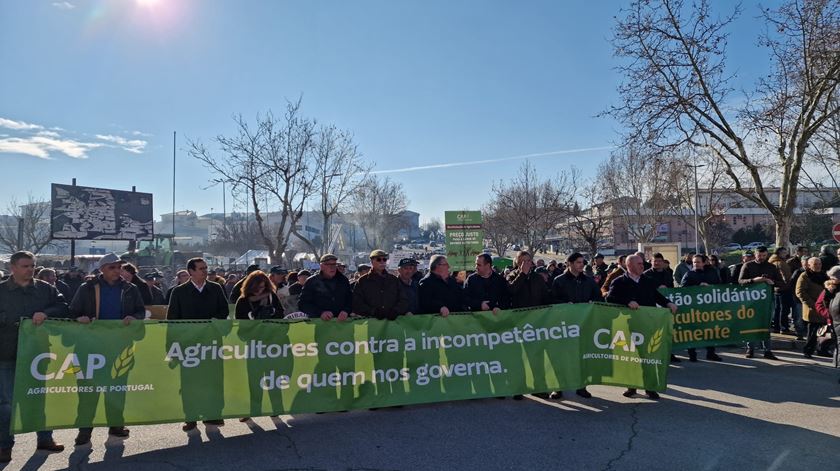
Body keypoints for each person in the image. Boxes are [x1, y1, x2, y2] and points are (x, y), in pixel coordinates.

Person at [69, 252, 145, 446]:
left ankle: (116, 426)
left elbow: (140, 311)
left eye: (119, 267)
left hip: (119, 348)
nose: (117, 271)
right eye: (112, 267)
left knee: (117, 390)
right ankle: (84, 431)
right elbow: (72, 312)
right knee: (88, 392)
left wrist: (134, 318)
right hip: (90, 348)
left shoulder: (130, 288)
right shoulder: (87, 288)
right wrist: (80, 318)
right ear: (102, 269)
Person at [0, 252, 68, 463]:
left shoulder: (45, 289)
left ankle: (45, 438)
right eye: (25, 266)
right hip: (6, 354)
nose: (30, 270)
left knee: (39, 397)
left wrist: (45, 313)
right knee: (7, 404)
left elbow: (64, 307)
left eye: (32, 266)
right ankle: (4, 446)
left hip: (38, 353)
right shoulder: (1, 290)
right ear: (13, 267)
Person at [167, 257, 230, 431]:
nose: (205, 271)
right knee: (190, 382)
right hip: (189, 345)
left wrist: (215, 321)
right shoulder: (179, 292)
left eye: (206, 268)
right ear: (191, 272)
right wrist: (172, 348)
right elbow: (172, 319)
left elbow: (224, 310)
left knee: (213, 379)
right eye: (201, 268)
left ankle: (214, 414)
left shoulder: (216, 288)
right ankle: (191, 416)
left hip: (211, 344)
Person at [606, 254, 678, 400]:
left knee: (647, 356)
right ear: (629, 266)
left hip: (647, 324)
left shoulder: (647, 280)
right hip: (628, 325)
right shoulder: (619, 282)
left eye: (642, 263)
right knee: (631, 358)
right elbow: (610, 298)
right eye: (639, 263)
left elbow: (657, 296)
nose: (642, 265)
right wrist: (627, 301)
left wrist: (668, 303)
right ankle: (631, 386)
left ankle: (649, 387)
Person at [550, 252, 603, 399]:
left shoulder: (588, 281)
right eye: (578, 262)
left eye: (582, 262)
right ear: (570, 263)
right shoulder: (559, 281)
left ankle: (581, 386)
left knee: (582, 357)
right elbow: (552, 300)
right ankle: (558, 387)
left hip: (583, 325)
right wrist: (565, 305)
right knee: (561, 358)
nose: (581, 265)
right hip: (564, 326)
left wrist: (593, 303)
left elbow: (598, 297)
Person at [738, 246, 781, 360]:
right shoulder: (748, 265)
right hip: (751, 300)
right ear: (755, 255)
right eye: (759, 255)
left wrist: (772, 282)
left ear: (767, 255)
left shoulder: (771, 267)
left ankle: (767, 350)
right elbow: (740, 281)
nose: (761, 258)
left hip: (767, 301)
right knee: (751, 324)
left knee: (765, 325)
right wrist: (753, 280)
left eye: (764, 256)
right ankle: (750, 349)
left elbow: (781, 283)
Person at [680, 254, 723, 362]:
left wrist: (709, 287)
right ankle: (692, 354)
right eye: (694, 262)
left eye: (698, 262)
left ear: (704, 262)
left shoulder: (712, 273)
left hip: (709, 308)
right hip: (693, 309)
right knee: (692, 332)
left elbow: (720, 286)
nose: (696, 264)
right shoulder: (689, 274)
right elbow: (682, 290)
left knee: (710, 331)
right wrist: (697, 288)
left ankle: (711, 353)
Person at [353, 250, 408, 320]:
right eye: (379, 259)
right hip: (370, 322)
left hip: (392, 323)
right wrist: (373, 312)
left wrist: (395, 311)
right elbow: (357, 303)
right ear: (372, 262)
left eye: (384, 259)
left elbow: (403, 300)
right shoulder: (362, 281)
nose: (382, 262)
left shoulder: (394, 280)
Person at [299, 254, 353, 321]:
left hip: (342, 323)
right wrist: (320, 313)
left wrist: (346, 311)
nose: (332, 267)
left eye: (334, 264)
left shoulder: (343, 280)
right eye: (328, 265)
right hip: (320, 323)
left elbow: (350, 299)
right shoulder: (312, 281)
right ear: (322, 266)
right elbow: (303, 304)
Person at [795, 257, 828, 359]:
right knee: (813, 333)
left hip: (825, 308)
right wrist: (813, 305)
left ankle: (822, 350)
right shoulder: (804, 276)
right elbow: (800, 292)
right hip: (813, 309)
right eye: (815, 264)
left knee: (825, 332)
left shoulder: (824, 275)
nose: (818, 266)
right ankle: (808, 351)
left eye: (819, 264)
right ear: (809, 265)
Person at [815, 266, 840, 378]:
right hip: (834, 322)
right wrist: (829, 315)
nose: (830, 279)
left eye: (833, 277)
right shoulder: (829, 288)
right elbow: (819, 304)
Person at [769, 247, 795, 335]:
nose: (786, 254)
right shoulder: (780, 263)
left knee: (777, 309)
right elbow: (786, 276)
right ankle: (783, 327)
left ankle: (777, 327)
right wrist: (788, 284)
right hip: (784, 288)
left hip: (776, 289)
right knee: (784, 309)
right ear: (779, 253)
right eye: (784, 252)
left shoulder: (772, 261)